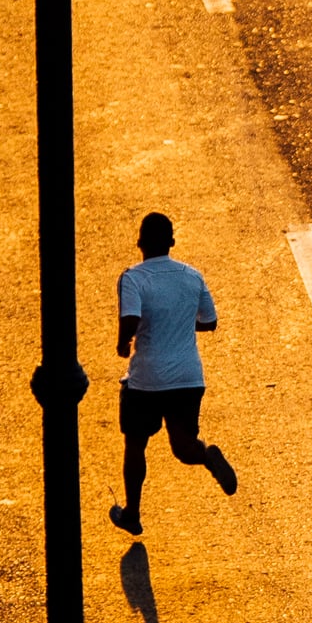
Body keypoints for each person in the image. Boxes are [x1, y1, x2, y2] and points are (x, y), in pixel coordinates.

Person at [110, 211, 237, 536]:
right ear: (172, 242)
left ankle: (133, 513)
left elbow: (131, 319)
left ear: (139, 243)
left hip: (146, 381)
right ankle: (207, 456)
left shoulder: (133, 278)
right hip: (187, 378)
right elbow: (209, 321)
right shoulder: (192, 276)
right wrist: (179, 323)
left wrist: (124, 343)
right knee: (183, 447)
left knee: (135, 444)